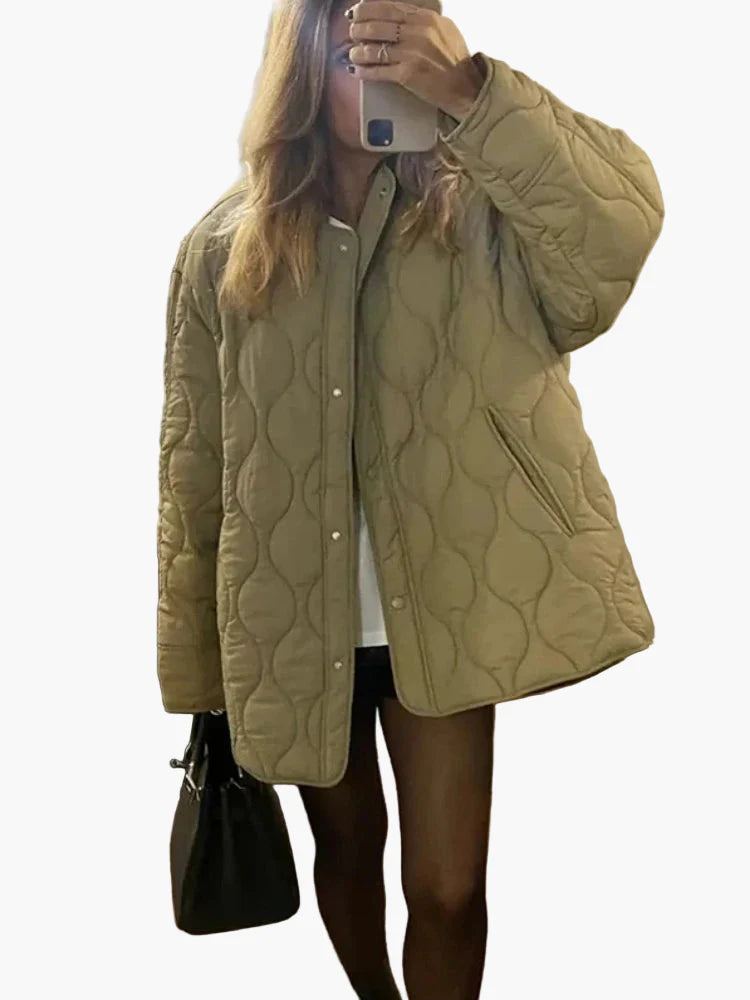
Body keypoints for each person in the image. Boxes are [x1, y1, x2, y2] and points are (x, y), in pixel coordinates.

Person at [156, 1, 664, 997]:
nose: (386, 73)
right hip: (290, 618)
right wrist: (197, 674)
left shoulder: (487, 211)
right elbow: (193, 471)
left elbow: (618, 234)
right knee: (348, 854)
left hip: (445, 603)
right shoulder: (221, 249)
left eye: (408, 46)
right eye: (364, 51)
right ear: (306, 66)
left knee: (448, 887)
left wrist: (475, 95)